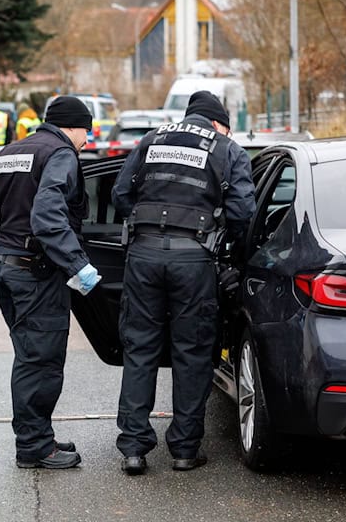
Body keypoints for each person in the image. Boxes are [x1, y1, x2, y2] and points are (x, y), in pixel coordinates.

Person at [111, 90, 256, 475]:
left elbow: (120, 194)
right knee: (192, 351)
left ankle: (134, 449)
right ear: (218, 123)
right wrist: (233, 252)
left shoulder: (152, 140)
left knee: (140, 348)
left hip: (143, 257)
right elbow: (243, 213)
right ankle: (185, 450)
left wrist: (144, 227)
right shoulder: (226, 149)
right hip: (194, 260)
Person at [0, 95, 101, 470]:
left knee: (29, 356)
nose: (87, 140)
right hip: (37, 274)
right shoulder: (60, 153)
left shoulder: (13, 150)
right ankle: (35, 447)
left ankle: (38, 435)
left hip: (7, 270)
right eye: (86, 132)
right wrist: (77, 265)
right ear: (73, 127)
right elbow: (46, 215)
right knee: (40, 362)